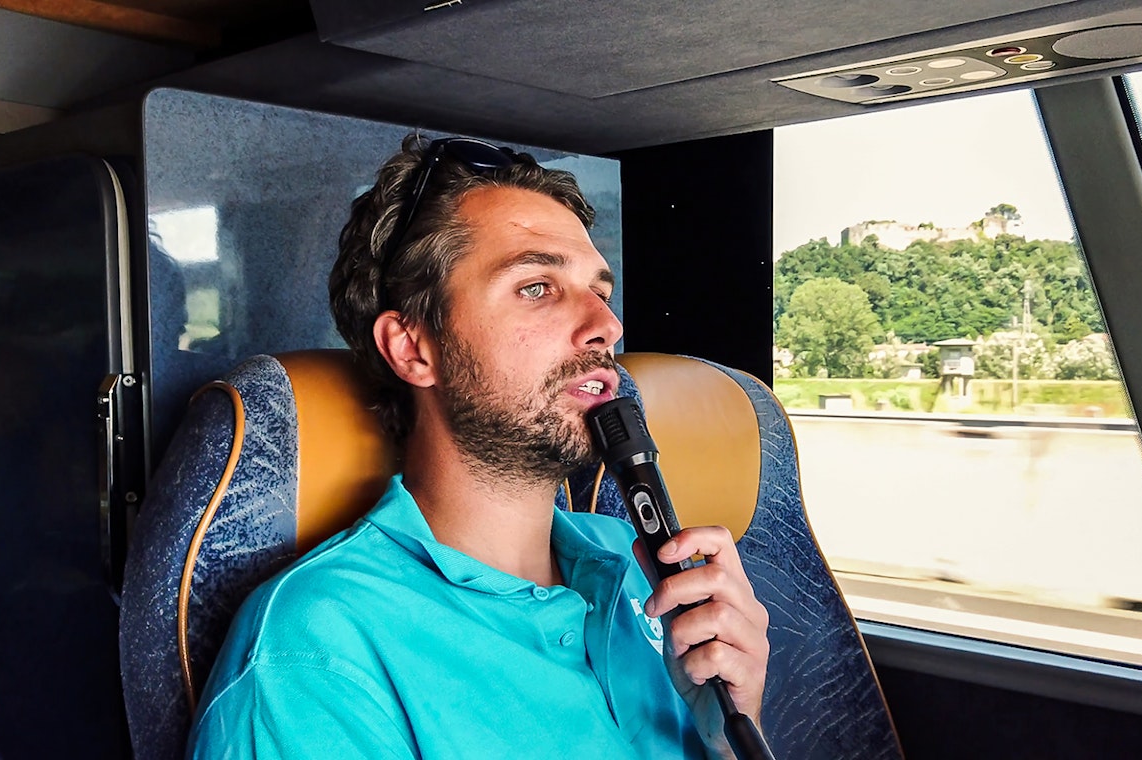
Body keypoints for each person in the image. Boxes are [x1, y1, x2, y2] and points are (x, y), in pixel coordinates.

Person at [187, 135, 770, 759]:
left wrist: (732, 735)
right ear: (414, 349)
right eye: (536, 287)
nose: (607, 325)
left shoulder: (637, 565)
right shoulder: (314, 654)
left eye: (599, 290)